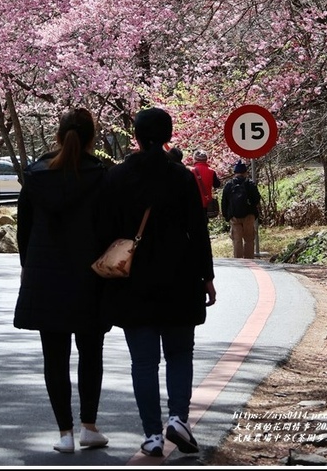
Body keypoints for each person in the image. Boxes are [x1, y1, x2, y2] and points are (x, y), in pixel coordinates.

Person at [96, 107, 216, 458]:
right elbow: (199, 230)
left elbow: (103, 230)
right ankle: (178, 417)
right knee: (180, 353)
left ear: (135, 136)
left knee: (143, 363)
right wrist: (207, 276)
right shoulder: (181, 177)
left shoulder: (116, 178)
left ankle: (151, 434)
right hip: (180, 277)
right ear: (169, 136)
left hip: (134, 282)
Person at [13, 107, 110, 454]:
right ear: (91, 138)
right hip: (89, 275)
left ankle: (64, 433)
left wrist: (29, 267)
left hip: (45, 276)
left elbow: (24, 231)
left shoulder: (36, 176)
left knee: (54, 356)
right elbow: (108, 228)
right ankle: (89, 426)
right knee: (90, 353)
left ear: (58, 135)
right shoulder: (101, 176)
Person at [221, 160, 261, 259]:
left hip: (234, 216)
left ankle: (239, 262)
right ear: (245, 172)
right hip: (249, 215)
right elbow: (256, 199)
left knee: (237, 240)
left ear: (234, 173)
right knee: (249, 239)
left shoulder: (229, 185)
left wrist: (227, 216)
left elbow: (224, 202)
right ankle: (249, 261)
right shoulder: (250, 183)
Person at [190, 150, 222, 220]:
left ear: (195, 159)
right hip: (207, 203)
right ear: (206, 159)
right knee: (204, 224)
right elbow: (217, 184)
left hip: (193, 202)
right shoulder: (211, 171)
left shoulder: (190, 171)